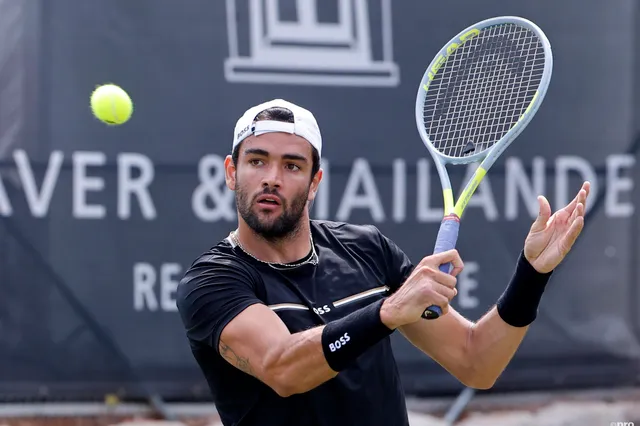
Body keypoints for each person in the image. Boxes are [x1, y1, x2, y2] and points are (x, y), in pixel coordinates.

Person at [176, 99, 590, 426]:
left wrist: (532, 274)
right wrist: (387, 311)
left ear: (315, 181)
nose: (272, 178)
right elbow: (283, 368)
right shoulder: (213, 280)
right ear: (232, 172)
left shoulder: (367, 249)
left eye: (292, 166)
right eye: (256, 161)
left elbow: (475, 361)